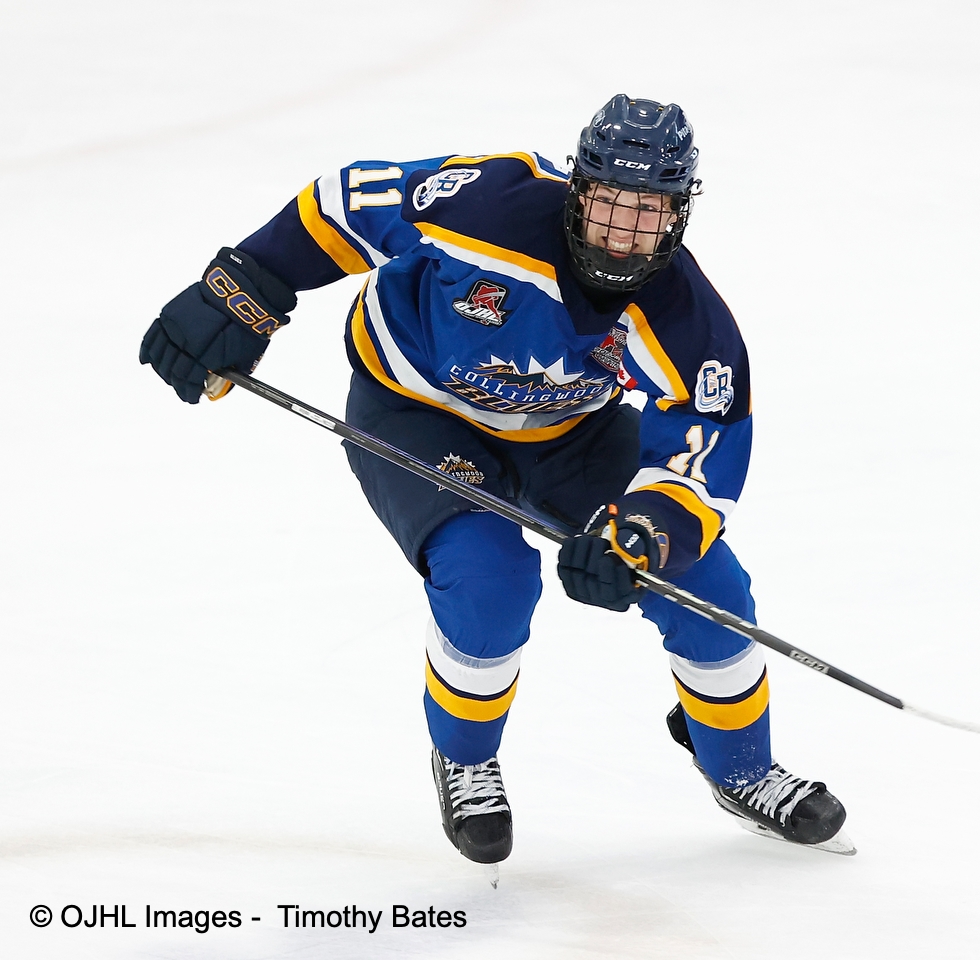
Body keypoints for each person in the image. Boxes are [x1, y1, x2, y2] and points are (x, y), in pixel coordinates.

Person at [139, 95, 853, 866]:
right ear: (578, 190)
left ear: (679, 217)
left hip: (568, 433)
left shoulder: (687, 318)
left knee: (708, 585)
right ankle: (466, 758)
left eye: (647, 215)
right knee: (489, 579)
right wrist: (246, 285)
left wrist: (642, 533)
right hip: (415, 408)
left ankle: (742, 769)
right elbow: (350, 200)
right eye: (610, 203)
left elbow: (703, 441)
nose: (623, 233)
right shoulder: (492, 202)